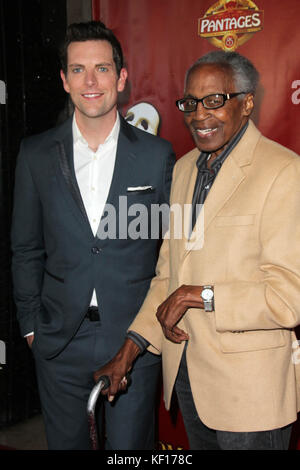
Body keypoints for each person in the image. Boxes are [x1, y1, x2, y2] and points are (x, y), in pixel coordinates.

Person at [94, 50, 300, 450]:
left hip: (251, 395)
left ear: (248, 103)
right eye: (191, 103)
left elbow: (290, 294)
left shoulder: (283, 171)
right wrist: (129, 350)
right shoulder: (186, 168)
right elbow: (169, 276)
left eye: (215, 101)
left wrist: (201, 295)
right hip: (190, 379)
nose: (199, 115)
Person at [11, 21, 175, 450]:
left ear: (121, 77)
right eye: (78, 69)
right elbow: (25, 247)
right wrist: (31, 327)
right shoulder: (35, 154)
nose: (90, 81)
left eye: (102, 68)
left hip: (132, 342)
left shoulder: (158, 156)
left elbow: (171, 254)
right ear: (64, 80)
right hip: (58, 340)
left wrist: (143, 338)